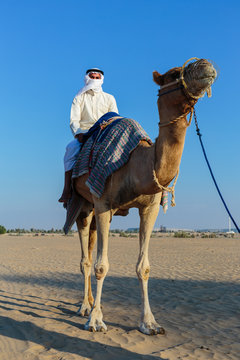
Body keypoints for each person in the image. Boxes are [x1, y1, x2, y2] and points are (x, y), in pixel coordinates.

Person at [59, 68, 118, 204]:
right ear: (87, 78)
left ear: (101, 79)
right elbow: (74, 120)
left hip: (104, 131)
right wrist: (79, 133)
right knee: (70, 149)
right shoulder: (79, 97)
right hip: (85, 133)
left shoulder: (109, 98)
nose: (95, 80)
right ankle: (67, 188)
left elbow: (114, 117)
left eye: (97, 78)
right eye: (92, 77)